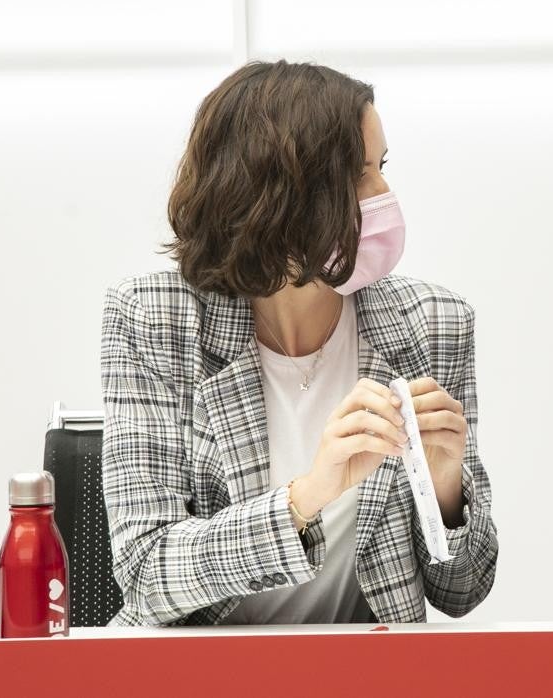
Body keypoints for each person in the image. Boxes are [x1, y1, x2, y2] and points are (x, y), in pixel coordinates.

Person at [101, 61, 496, 625]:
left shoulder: (434, 322)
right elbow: (146, 575)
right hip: (198, 674)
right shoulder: (155, 318)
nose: (385, 194)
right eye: (360, 176)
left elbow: (464, 590)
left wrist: (446, 488)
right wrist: (307, 495)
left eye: (381, 168)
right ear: (278, 195)